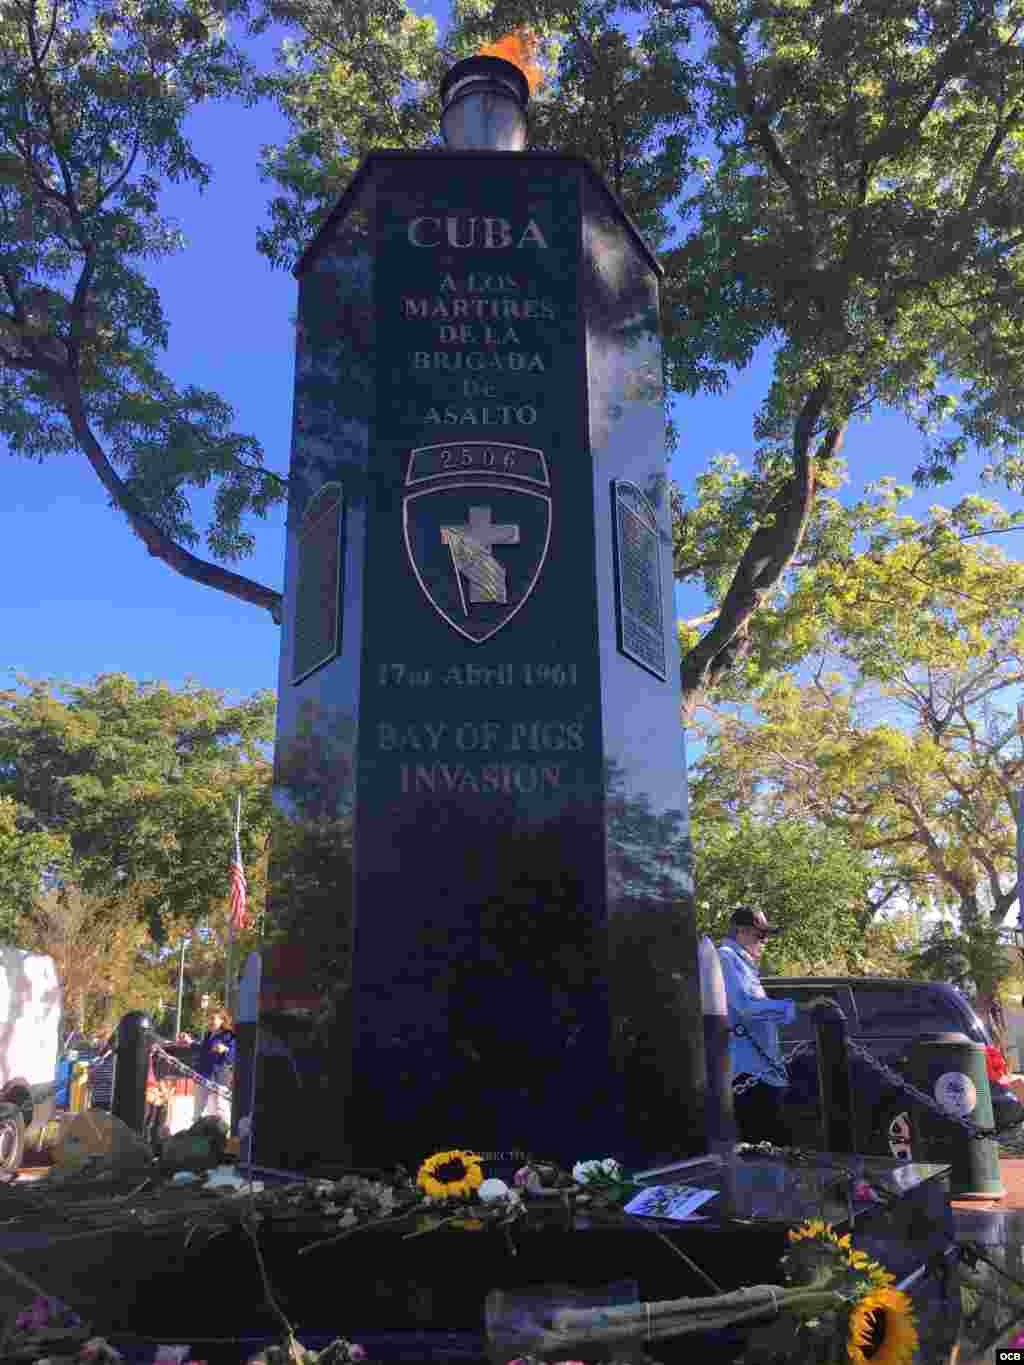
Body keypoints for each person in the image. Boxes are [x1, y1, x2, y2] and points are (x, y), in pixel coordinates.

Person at [718, 907, 798, 1147]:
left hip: (763, 1072)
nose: (765, 942)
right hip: (749, 1073)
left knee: (774, 1148)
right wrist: (793, 1008)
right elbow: (747, 1006)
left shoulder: (743, 964)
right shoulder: (726, 957)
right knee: (762, 1151)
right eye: (760, 935)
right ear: (741, 931)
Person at [195, 1007, 236, 1126]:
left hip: (220, 1076)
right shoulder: (208, 1035)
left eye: (213, 1018)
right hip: (204, 1074)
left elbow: (234, 1055)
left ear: (222, 1020)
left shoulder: (230, 1036)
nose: (210, 1021)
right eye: (209, 1019)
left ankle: (225, 1135)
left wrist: (225, 1049)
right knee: (199, 1108)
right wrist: (190, 1042)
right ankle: (195, 1133)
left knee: (220, 1107)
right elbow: (202, 1051)